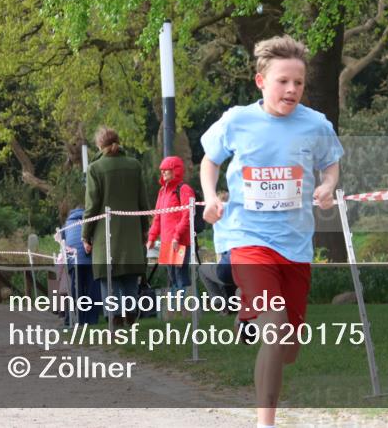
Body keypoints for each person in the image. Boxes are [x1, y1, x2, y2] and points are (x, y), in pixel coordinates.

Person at [200, 35, 344, 428]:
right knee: (276, 326)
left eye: (298, 82)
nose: (292, 90)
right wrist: (211, 197)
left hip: (295, 245)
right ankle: (266, 423)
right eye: (283, 81)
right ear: (261, 81)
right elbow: (209, 161)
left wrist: (328, 186)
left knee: (289, 348)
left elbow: (331, 164)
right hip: (246, 238)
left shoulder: (316, 125)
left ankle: (247, 318)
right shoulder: (237, 120)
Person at [81, 126, 150, 328]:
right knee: (129, 275)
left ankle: (115, 318)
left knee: (108, 279)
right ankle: (130, 314)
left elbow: (91, 206)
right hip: (131, 231)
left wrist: (86, 236)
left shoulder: (95, 169)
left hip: (105, 233)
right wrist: (144, 229)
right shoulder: (134, 165)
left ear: (99, 145)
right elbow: (142, 201)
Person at [147, 156, 195, 292]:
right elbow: (157, 217)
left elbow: (187, 216)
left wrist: (177, 236)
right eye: (161, 170)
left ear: (176, 170)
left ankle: (187, 310)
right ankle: (177, 310)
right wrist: (151, 237)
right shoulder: (162, 192)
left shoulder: (184, 189)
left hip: (180, 241)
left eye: (166, 169)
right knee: (172, 277)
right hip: (167, 242)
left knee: (181, 277)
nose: (163, 172)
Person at [63, 206, 103, 325]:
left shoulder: (67, 223)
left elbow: (64, 242)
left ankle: (75, 319)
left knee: (76, 290)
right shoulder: (92, 219)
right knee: (93, 289)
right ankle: (91, 320)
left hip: (73, 260)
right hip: (89, 258)